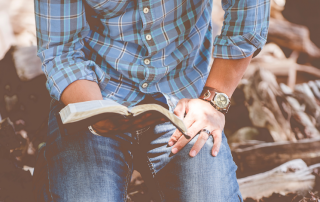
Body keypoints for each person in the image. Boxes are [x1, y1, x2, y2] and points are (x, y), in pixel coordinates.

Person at [33, 0, 270, 201]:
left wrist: (212, 102)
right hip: (94, 94)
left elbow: (248, 17)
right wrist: (95, 110)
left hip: (183, 100)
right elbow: (61, 49)